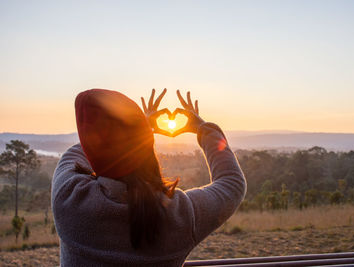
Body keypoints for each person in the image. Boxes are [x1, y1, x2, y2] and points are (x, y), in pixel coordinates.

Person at [51, 88, 247, 267]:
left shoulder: (68, 198)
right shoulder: (179, 216)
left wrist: (141, 127)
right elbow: (232, 183)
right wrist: (204, 128)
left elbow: (80, 151)